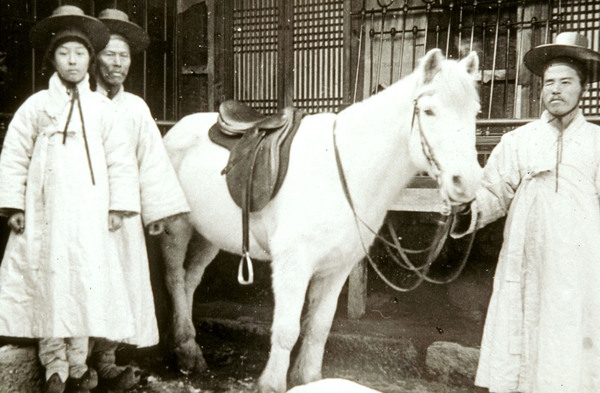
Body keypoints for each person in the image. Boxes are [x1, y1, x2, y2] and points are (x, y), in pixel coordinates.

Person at [0, 5, 141, 393]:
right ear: (53, 59)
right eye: (65, 53)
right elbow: (13, 155)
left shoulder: (101, 109)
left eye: (80, 54)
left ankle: (79, 366)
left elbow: (120, 160)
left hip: (90, 217)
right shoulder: (36, 107)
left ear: (89, 60)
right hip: (45, 216)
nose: (73, 60)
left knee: (84, 284)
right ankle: (54, 368)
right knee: (49, 284)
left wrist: (118, 207)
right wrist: (13, 205)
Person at [452, 32, 600, 393]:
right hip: (525, 256)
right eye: (549, 82)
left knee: (570, 330)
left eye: (566, 82)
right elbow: (493, 192)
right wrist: (465, 210)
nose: (556, 90)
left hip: (578, 263)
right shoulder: (519, 140)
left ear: (582, 89)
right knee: (523, 323)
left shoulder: (596, 142)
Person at [88, 8, 191, 392]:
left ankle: (107, 360)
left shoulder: (135, 108)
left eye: (124, 56)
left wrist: (158, 209)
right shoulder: (79, 101)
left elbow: (152, 161)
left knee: (121, 283)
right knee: (85, 280)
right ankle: (75, 364)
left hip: (124, 215)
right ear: (94, 56)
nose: (117, 63)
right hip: (84, 210)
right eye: (110, 54)